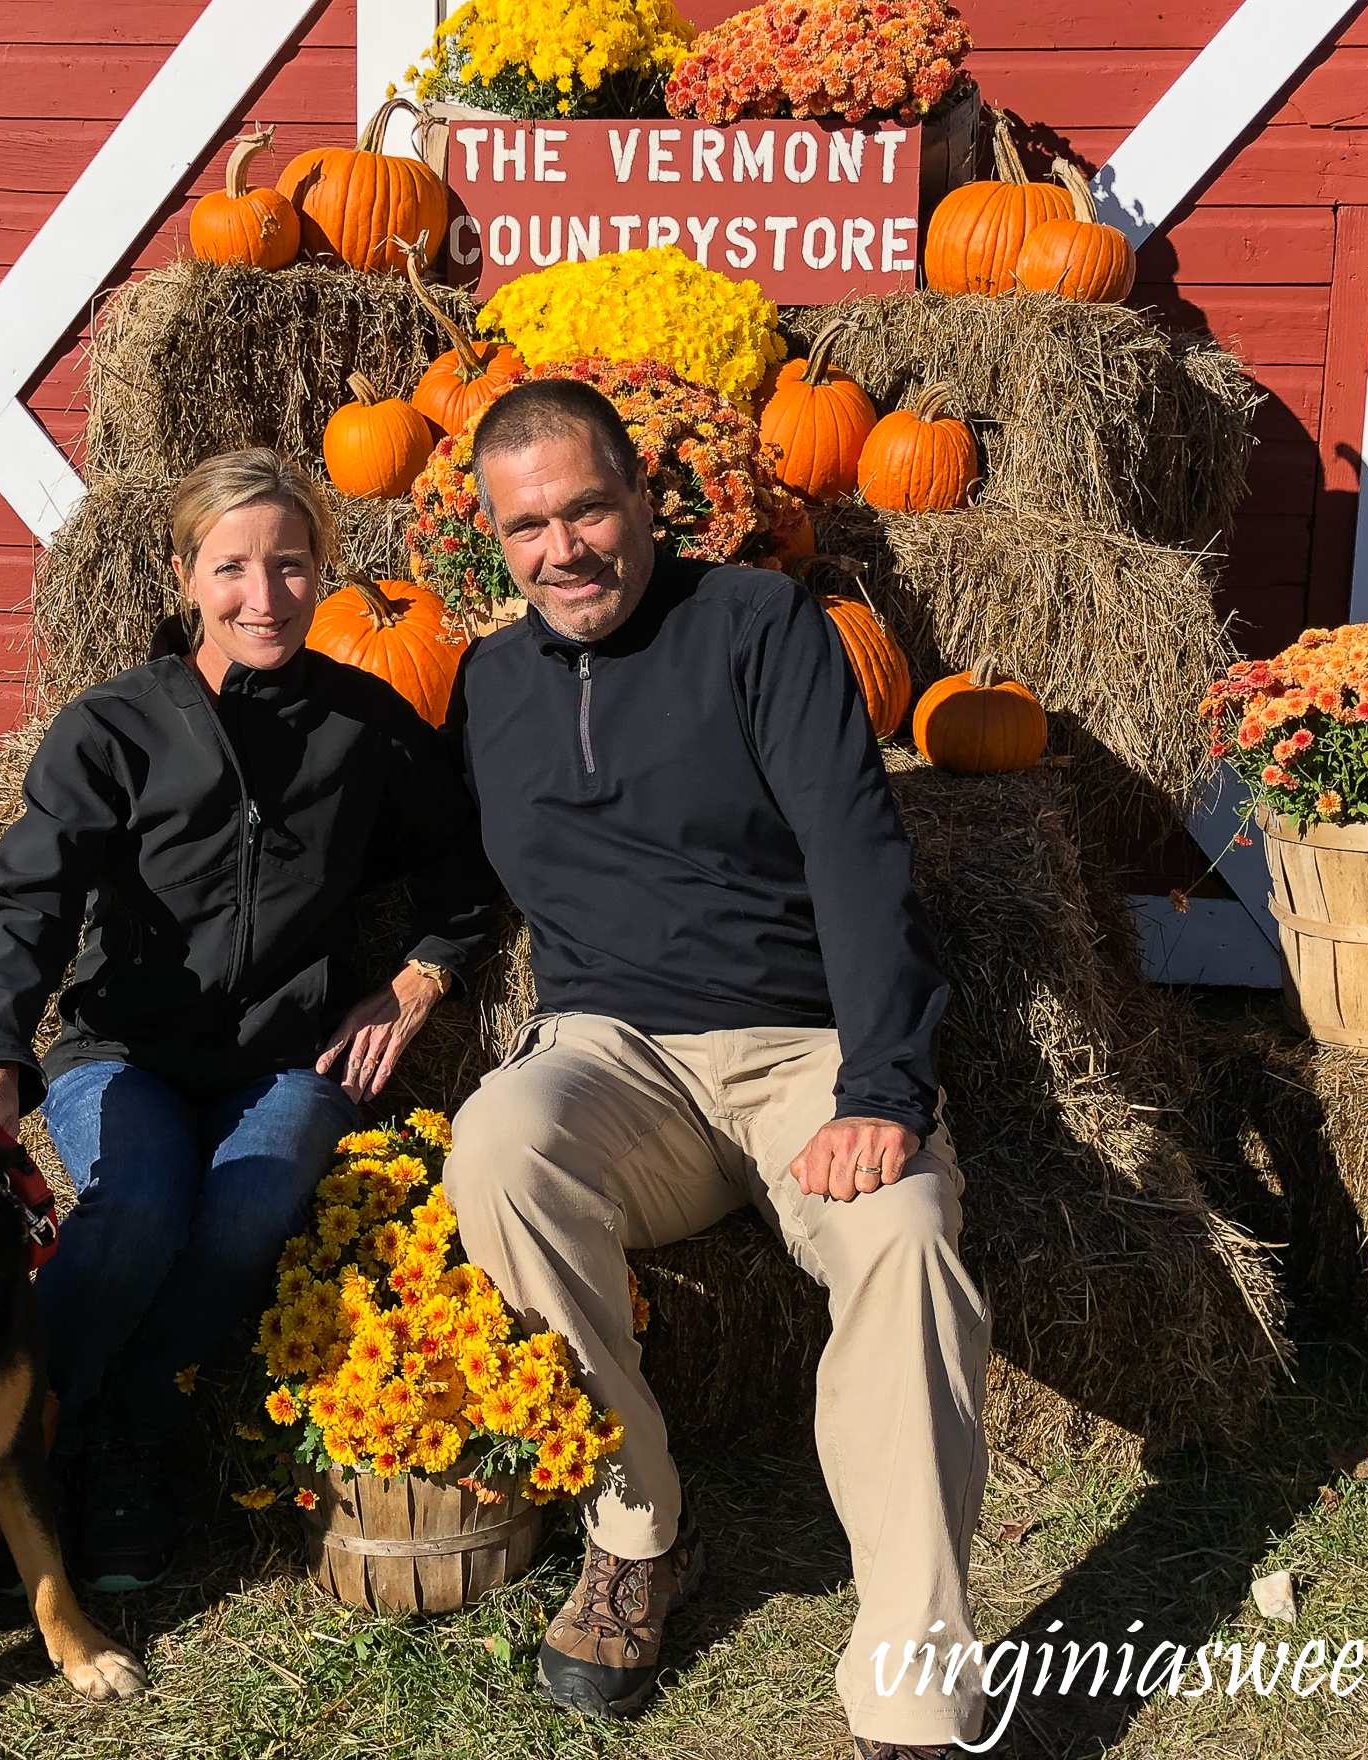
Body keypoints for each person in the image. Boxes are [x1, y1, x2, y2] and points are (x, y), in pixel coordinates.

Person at [441, 380, 991, 1759]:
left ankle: (913, 1679)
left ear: (643, 500)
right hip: (612, 1057)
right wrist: (408, 968)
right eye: (528, 526)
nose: (562, 547)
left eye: (585, 508)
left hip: (801, 1047)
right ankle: (639, 1534)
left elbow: (859, 855)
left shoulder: (759, 627)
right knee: (497, 1140)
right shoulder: (487, 683)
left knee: (912, 1230)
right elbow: (436, 872)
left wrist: (882, 1088)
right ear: (493, 542)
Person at [0, 447, 496, 1592]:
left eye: (293, 566)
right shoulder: (112, 728)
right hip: (126, 1051)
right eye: (233, 568)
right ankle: (6, 1445)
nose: (265, 597)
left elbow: (469, 867)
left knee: (248, 1204)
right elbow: (29, 899)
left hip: (287, 1054)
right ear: (182, 575)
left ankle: (125, 1439)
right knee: (138, 1207)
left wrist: (422, 975)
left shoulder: (368, 725)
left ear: (325, 572)